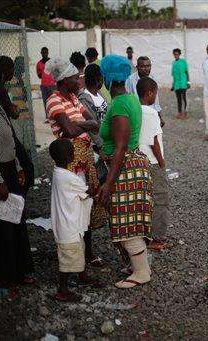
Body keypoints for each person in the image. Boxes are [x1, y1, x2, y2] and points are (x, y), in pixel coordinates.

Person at [45, 57, 107, 268]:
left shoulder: (73, 98)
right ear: (63, 81)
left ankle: (86, 252)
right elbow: (69, 132)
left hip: (85, 153)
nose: (79, 81)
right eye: (74, 78)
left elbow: (95, 124)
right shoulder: (54, 100)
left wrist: (79, 125)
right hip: (70, 157)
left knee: (88, 201)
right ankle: (76, 252)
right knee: (76, 205)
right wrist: (84, 125)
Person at [98, 54, 153, 289]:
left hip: (124, 167)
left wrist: (108, 183)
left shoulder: (119, 104)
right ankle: (138, 265)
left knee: (126, 220)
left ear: (107, 77)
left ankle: (142, 272)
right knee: (130, 218)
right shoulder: (130, 99)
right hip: (133, 165)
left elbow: (120, 146)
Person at [49, 138, 103, 302]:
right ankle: (62, 289)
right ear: (68, 157)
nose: (75, 154)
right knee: (69, 258)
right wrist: (103, 187)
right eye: (73, 152)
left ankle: (82, 276)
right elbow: (88, 192)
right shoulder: (69, 178)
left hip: (67, 224)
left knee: (77, 251)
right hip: (68, 227)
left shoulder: (59, 172)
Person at [0, 63, 35, 287]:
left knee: (16, 219)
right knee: (4, 226)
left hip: (9, 169)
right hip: (0, 173)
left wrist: (19, 167)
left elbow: (9, 140)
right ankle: (7, 275)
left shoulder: (0, 106)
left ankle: (19, 270)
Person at [137, 76, 170, 251]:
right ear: (150, 93)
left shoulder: (135, 110)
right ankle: (157, 238)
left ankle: (145, 234)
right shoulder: (150, 112)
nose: (155, 96)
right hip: (153, 161)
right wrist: (162, 162)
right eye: (155, 93)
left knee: (145, 199)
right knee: (161, 199)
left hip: (140, 160)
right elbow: (154, 141)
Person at [125, 56, 164, 127]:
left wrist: (160, 117)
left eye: (148, 66)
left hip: (151, 115)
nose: (146, 69)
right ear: (137, 67)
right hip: (137, 116)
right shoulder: (130, 80)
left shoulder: (152, 79)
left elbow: (156, 101)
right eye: (143, 66)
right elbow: (128, 100)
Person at [77, 63, 107, 150]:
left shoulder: (99, 94)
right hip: (98, 145)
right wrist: (101, 145)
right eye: (102, 77)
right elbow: (91, 125)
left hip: (106, 140)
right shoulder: (84, 99)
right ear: (98, 79)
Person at [36, 47, 56, 122]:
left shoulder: (52, 62)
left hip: (52, 85)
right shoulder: (38, 63)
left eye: (46, 52)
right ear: (41, 53)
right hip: (44, 85)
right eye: (43, 52)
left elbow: (55, 71)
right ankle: (48, 117)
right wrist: (44, 74)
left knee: (53, 101)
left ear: (48, 53)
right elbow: (39, 75)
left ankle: (54, 116)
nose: (44, 54)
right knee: (45, 101)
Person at [171, 48, 190, 120]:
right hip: (176, 85)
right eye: (174, 54)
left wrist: (188, 82)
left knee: (184, 98)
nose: (176, 55)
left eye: (177, 54)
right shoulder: (173, 63)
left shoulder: (183, 62)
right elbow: (174, 75)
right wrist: (173, 85)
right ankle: (179, 113)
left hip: (183, 83)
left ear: (179, 54)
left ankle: (185, 113)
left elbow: (186, 72)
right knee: (178, 99)